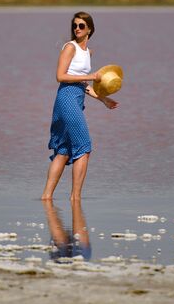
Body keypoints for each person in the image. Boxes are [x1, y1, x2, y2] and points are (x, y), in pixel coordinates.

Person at [41, 11, 118, 201]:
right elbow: (60, 76)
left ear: (89, 29)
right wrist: (92, 76)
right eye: (75, 25)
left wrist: (103, 99)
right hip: (66, 98)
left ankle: (46, 198)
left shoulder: (87, 52)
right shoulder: (70, 48)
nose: (77, 29)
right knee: (84, 147)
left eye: (81, 26)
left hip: (75, 99)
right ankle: (75, 198)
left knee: (64, 150)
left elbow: (82, 84)